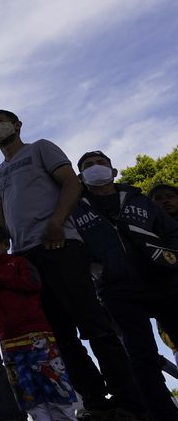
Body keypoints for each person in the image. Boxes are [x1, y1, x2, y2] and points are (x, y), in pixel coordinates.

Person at [0, 110, 144, 420]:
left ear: (17, 125)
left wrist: (57, 223)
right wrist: (0, 259)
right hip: (25, 258)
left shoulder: (41, 148)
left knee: (94, 325)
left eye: (1, 119)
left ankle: (130, 402)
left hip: (60, 245)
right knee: (59, 337)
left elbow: (71, 184)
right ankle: (96, 402)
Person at [71, 151, 178, 420]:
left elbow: (170, 230)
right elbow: (73, 248)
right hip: (117, 290)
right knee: (141, 355)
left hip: (161, 281)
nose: (96, 168)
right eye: (88, 166)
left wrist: (172, 259)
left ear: (113, 170)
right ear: (80, 176)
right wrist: (96, 271)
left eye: (101, 163)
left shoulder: (138, 199)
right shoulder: (74, 208)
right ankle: (163, 413)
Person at [0, 221, 76, 421]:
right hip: (9, 342)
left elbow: (34, 284)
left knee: (54, 385)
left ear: (5, 244)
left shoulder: (18, 263)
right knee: (28, 392)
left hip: (37, 336)